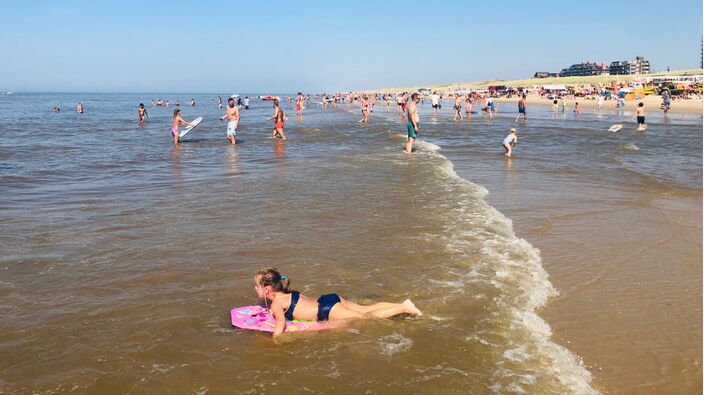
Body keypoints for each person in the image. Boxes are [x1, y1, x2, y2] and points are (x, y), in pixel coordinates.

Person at [254, 267, 422, 341]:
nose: (255, 288)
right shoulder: (289, 293)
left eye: (257, 286)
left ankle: (404, 308)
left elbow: (281, 323)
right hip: (329, 299)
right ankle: (401, 304)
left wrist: (275, 341)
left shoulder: (276, 304)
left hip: (326, 311)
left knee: (366, 317)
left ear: (267, 289)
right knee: (366, 309)